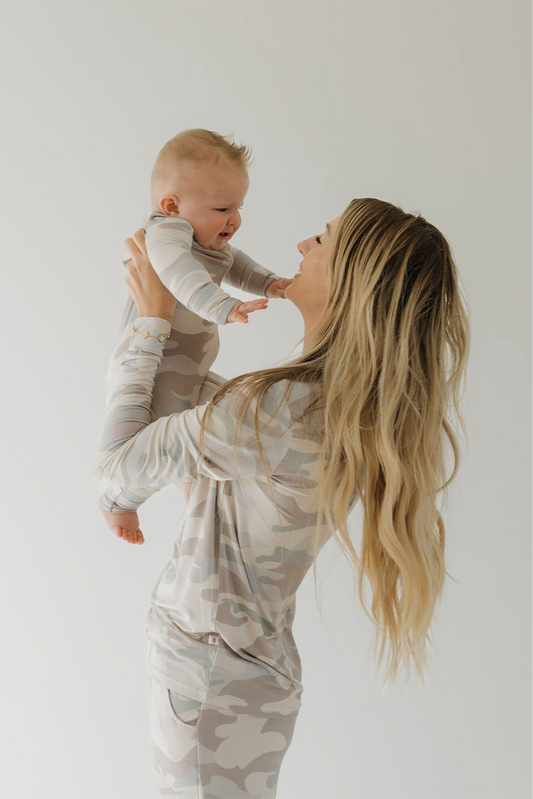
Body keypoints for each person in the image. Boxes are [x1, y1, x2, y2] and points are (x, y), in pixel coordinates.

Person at [93, 197, 470, 798]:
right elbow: (184, 401)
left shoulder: (281, 412)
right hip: (238, 680)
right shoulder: (330, 410)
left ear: (351, 281)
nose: (301, 246)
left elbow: (115, 471)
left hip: (212, 679)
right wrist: (179, 283)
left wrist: (152, 321)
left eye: (321, 241)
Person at [99, 128, 292, 543]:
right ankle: (118, 504)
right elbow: (180, 277)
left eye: (239, 207)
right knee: (145, 442)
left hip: (190, 372)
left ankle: (198, 493)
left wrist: (272, 284)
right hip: (152, 367)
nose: (235, 220)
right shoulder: (167, 235)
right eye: (223, 208)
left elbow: (240, 266)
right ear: (172, 206)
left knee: (212, 425)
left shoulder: (211, 246)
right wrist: (223, 307)